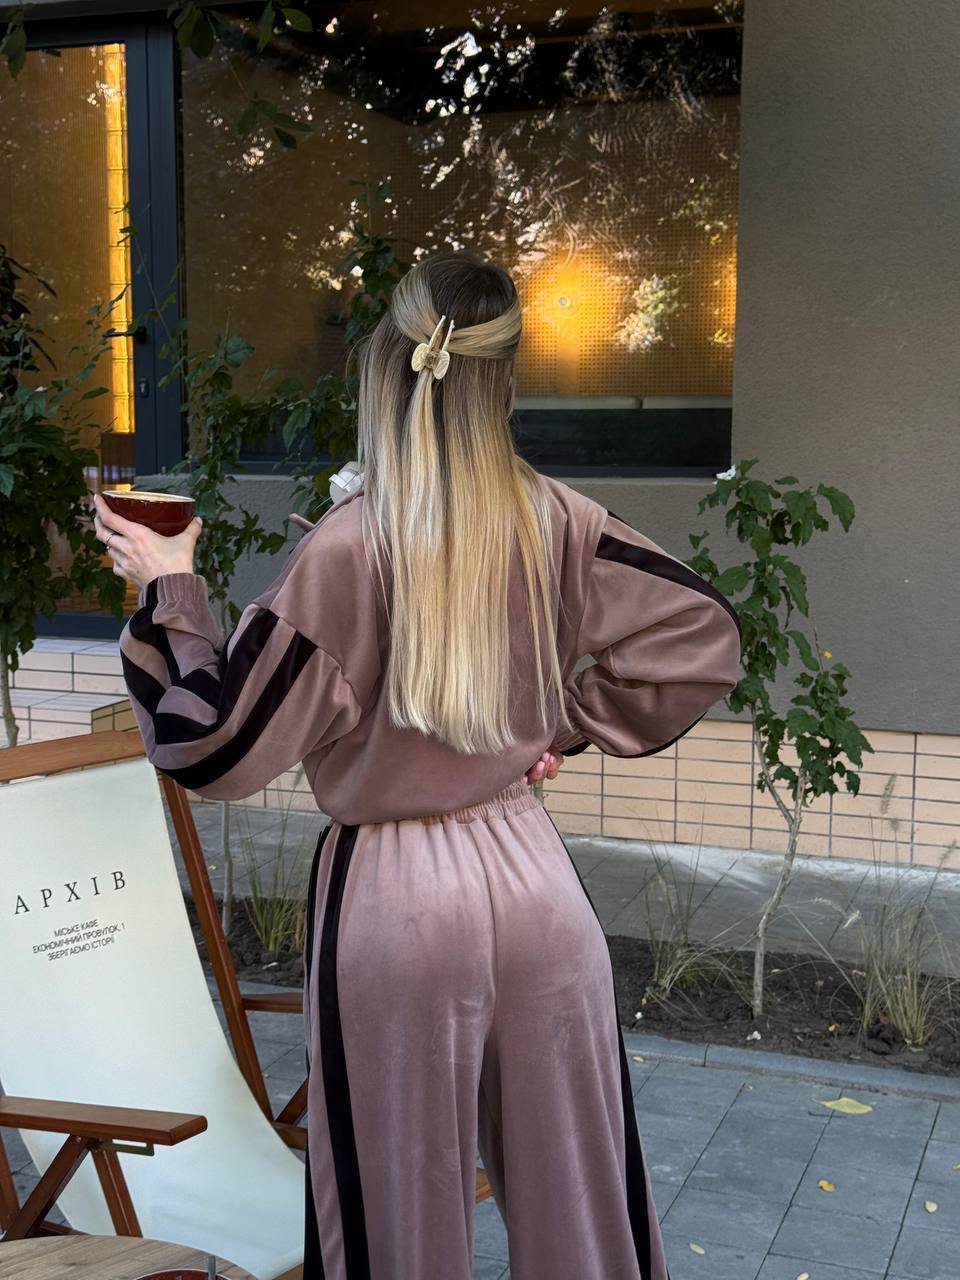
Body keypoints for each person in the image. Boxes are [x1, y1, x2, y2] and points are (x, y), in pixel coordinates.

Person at [94, 249, 742, 1280]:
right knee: (586, 1219)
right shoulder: (558, 519)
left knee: (394, 1223)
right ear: (507, 382)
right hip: (535, 884)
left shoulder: (348, 548)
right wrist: (562, 727)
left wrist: (172, 585)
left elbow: (216, 747)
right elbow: (702, 634)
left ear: (383, 368)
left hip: (393, 898)